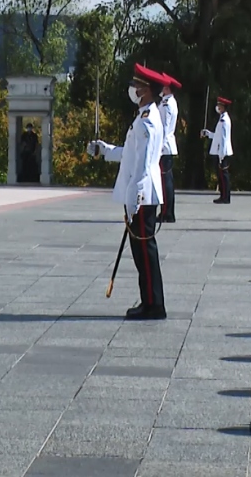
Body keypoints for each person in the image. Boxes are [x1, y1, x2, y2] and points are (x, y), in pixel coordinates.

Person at [89, 64, 168, 320]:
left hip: (142, 193)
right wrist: (105, 151)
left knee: (145, 252)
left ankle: (154, 305)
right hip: (140, 193)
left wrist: (134, 198)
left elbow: (143, 165)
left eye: (136, 85)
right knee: (140, 252)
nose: (132, 89)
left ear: (145, 91)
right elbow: (130, 154)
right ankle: (149, 301)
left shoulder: (148, 122)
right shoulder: (144, 116)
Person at [202, 96, 234, 204]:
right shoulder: (221, 119)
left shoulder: (225, 120)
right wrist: (208, 133)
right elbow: (217, 136)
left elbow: (224, 138)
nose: (217, 107)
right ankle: (223, 195)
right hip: (221, 150)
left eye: (219, 105)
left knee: (223, 175)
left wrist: (222, 154)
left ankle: (225, 196)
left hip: (223, 152)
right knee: (221, 175)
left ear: (223, 107)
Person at [159, 73, 181, 223]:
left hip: (164, 147)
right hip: (166, 146)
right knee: (166, 181)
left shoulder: (167, 104)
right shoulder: (167, 102)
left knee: (165, 182)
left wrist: (158, 148)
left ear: (167, 88)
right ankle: (166, 211)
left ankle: (167, 213)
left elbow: (165, 128)